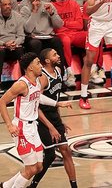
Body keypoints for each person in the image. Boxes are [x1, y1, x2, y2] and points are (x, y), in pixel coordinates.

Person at [0, 52, 72, 188]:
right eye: (38, 63)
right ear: (30, 68)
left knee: (38, 167)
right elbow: (2, 102)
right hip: (21, 127)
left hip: (33, 127)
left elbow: (38, 97)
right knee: (31, 168)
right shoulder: (21, 85)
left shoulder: (38, 81)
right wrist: (9, 125)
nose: (41, 66)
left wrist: (58, 104)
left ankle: (6, 186)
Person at [27, 48, 77, 188]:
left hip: (54, 117)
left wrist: (60, 121)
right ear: (47, 60)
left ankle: (74, 186)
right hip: (41, 118)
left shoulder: (59, 72)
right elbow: (37, 104)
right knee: (49, 156)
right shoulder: (43, 77)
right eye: (54, 55)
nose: (58, 56)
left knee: (66, 151)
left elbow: (56, 98)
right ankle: (32, 184)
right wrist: (51, 127)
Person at [50, 0, 87, 87]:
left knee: (92, 36)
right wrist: (68, 24)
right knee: (65, 40)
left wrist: (64, 23)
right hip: (61, 34)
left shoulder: (73, 3)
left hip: (75, 33)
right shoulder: (51, 5)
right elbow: (56, 27)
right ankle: (69, 72)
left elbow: (79, 25)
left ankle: (94, 69)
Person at [0, 0, 25, 90]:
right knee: (0, 52)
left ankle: (26, 82)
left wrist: (14, 43)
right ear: (0, 6)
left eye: (9, 4)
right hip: (1, 46)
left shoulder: (17, 17)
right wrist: (4, 43)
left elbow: (21, 36)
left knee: (20, 51)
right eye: (5, 5)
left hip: (13, 46)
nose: (8, 7)